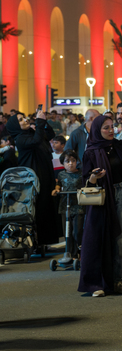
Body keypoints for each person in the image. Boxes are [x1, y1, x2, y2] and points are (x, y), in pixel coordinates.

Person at [78, 115, 122, 297]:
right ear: (97, 131)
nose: (111, 130)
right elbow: (86, 181)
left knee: (121, 240)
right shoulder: (91, 152)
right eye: (106, 128)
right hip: (101, 200)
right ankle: (98, 284)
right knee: (99, 240)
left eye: (112, 127)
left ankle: (117, 281)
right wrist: (94, 177)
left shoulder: (121, 146)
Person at [5, 110, 59, 247]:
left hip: (45, 175)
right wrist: (39, 123)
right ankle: (37, 242)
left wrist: (43, 122)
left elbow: (50, 135)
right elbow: (36, 141)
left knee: (47, 206)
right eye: (21, 120)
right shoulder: (20, 138)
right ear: (15, 126)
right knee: (39, 207)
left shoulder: (31, 132)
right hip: (34, 178)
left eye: (25, 118)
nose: (26, 120)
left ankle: (47, 240)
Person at [52, 149, 85, 259]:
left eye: (73, 160)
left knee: (77, 231)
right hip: (65, 206)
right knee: (67, 232)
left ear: (76, 161)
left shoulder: (81, 174)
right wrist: (56, 190)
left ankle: (79, 252)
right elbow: (58, 185)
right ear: (63, 163)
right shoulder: (61, 174)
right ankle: (71, 254)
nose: (70, 163)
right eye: (67, 161)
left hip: (78, 205)